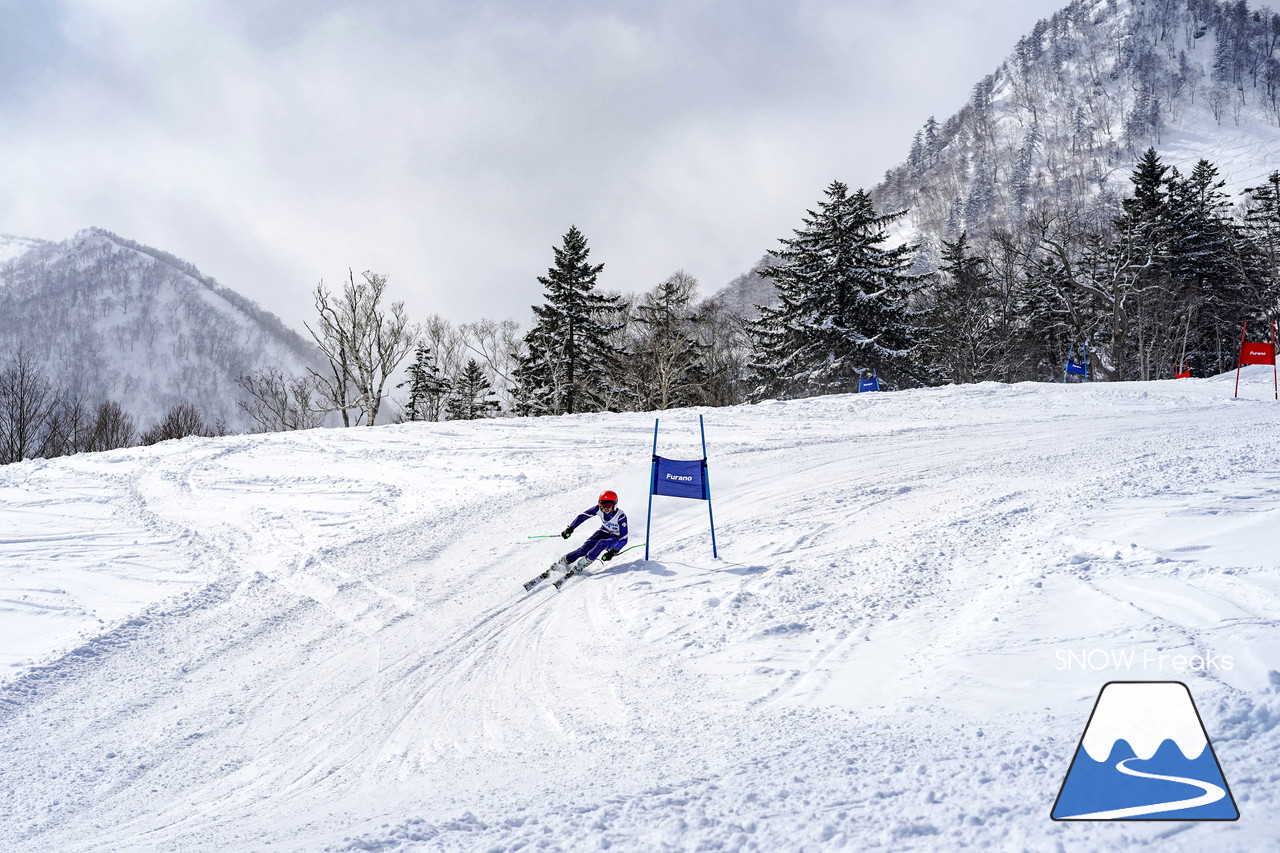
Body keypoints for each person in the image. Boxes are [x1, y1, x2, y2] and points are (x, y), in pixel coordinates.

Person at [552, 490, 629, 574]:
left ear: (614, 505)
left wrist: (613, 552)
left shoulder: (620, 516)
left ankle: (582, 564)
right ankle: (563, 561)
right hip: (603, 532)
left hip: (615, 538)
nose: (605, 508)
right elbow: (582, 517)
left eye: (609, 505)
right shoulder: (598, 509)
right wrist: (570, 528)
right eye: (603, 505)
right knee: (583, 550)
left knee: (601, 543)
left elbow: (624, 539)